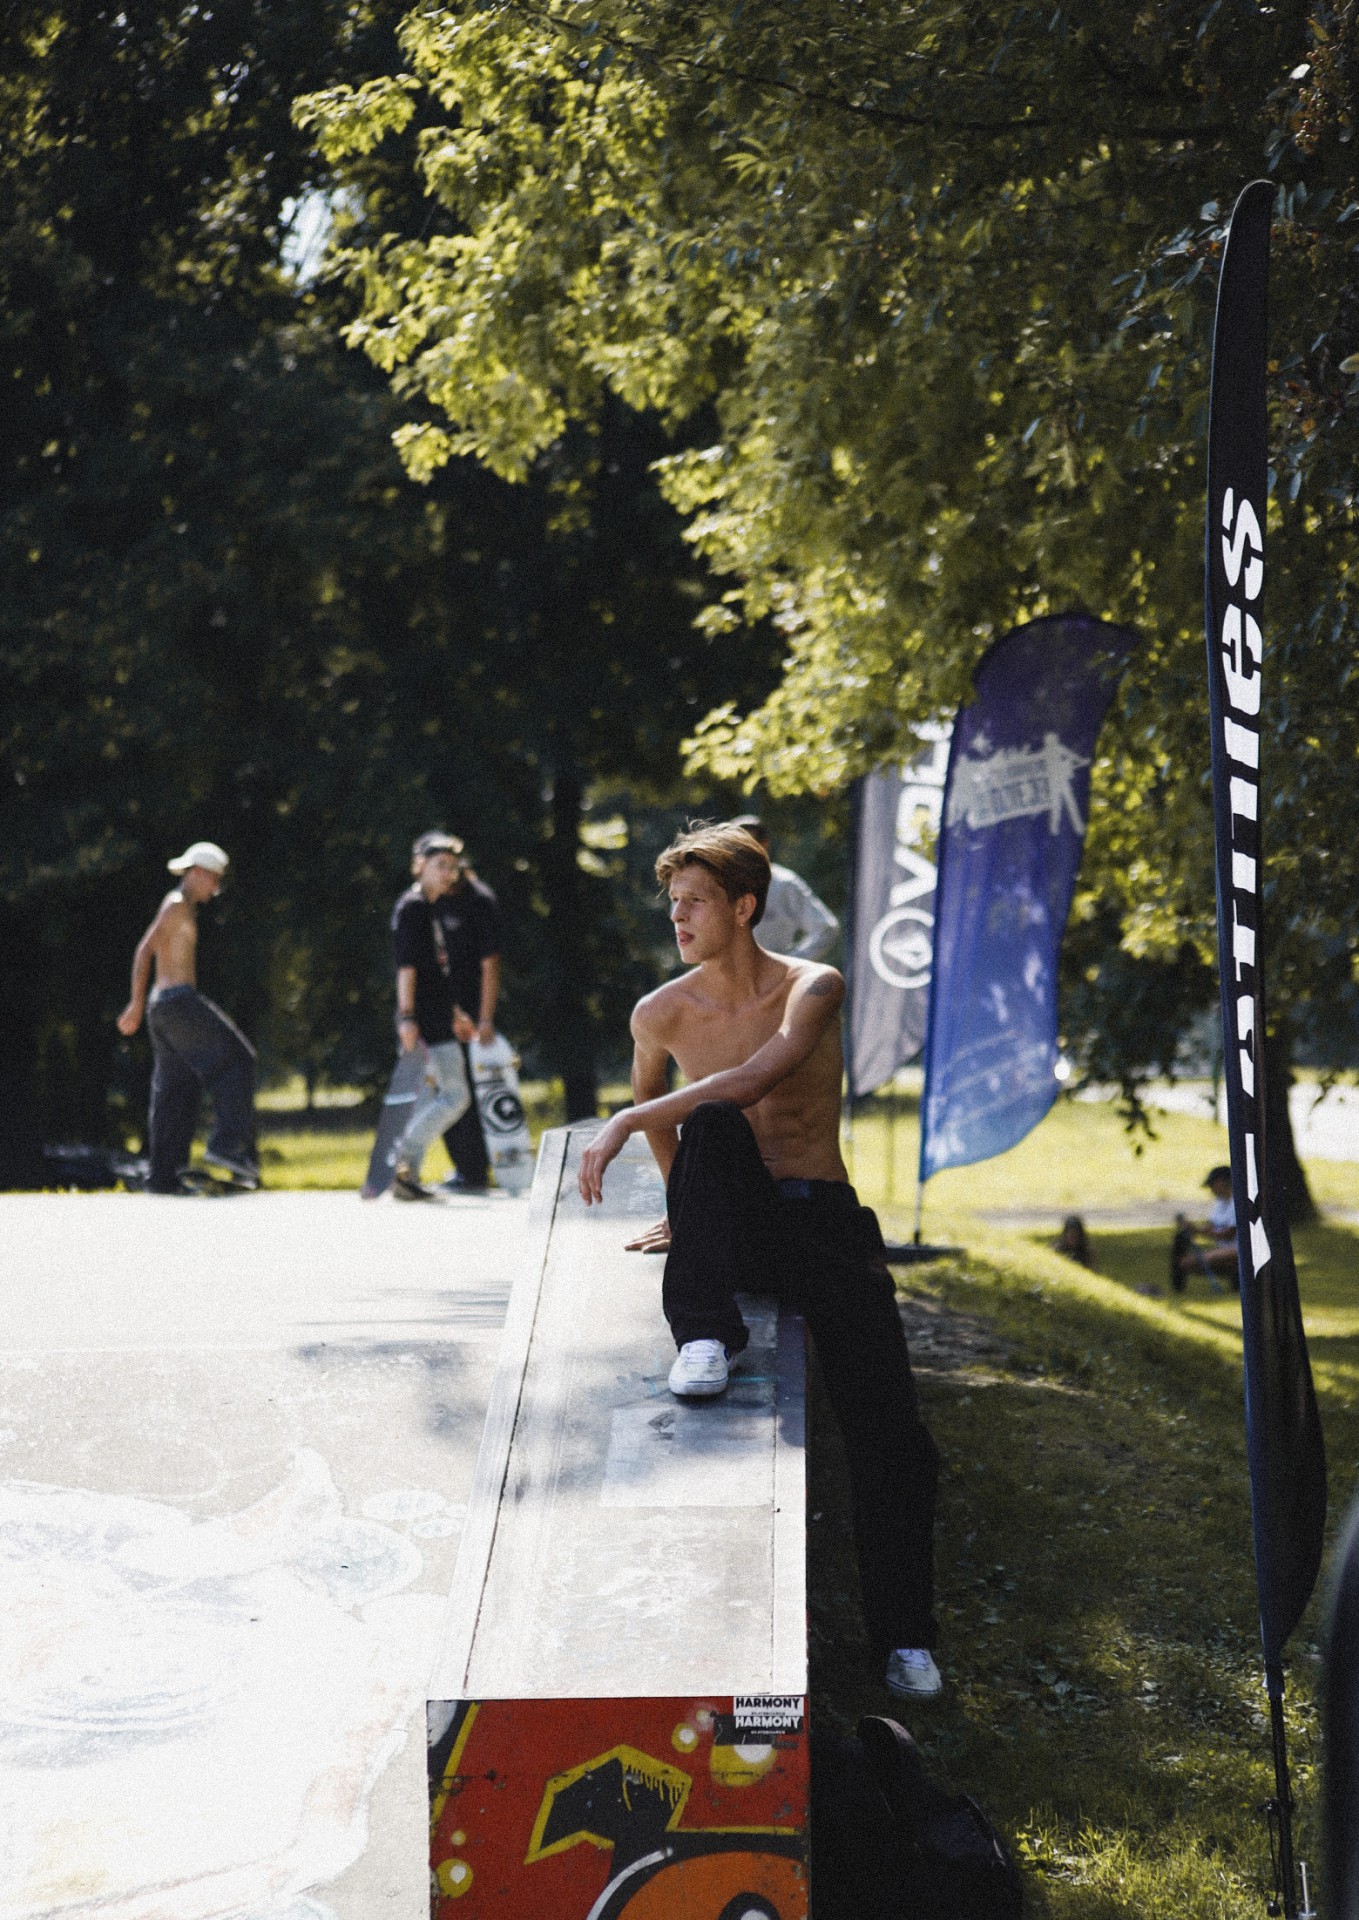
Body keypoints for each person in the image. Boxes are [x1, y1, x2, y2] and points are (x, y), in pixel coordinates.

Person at [578, 820, 942, 1700]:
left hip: (824, 1224)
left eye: (695, 902)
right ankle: (703, 1335)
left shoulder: (811, 987)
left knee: (893, 1438)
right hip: (743, 1227)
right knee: (706, 1123)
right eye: (672, 902)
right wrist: (691, 1215)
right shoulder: (659, 1012)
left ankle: (904, 1642)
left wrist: (625, 1120)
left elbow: (755, 1077)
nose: (678, 917)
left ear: (744, 907)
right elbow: (675, 1120)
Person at [116, 841, 259, 1194]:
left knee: (175, 1088)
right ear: (198, 873)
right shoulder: (176, 904)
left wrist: (143, 1005)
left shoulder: (182, 906)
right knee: (239, 1059)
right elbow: (144, 949)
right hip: (177, 1003)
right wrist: (134, 1004)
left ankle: (163, 1175)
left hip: (163, 1009)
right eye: (214, 880)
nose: (216, 888)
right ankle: (227, 1146)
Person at [389, 831, 500, 1200]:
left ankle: (406, 1177)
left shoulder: (430, 907)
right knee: (456, 1096)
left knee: (428, 1098)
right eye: (439, 865)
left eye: (452, 867)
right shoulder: (413, 908)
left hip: (438, 1015)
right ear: (420, 866)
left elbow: (437, 972)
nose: (448, 873)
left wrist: (456, 1013)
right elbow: (406, 968)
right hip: (424, 1020)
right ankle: (401, 1156)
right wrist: (406, 1017)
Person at [729, 814, 839, 960]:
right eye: (736, 845)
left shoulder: (784, 884)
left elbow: (826, 929)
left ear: (764, 845)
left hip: (773, 971)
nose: (742, 851)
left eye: (749, 844)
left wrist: (791, 962)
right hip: (726, 972)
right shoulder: (718, 883)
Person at [1171, 1165, 1240, 1294]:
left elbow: (1228, 1234)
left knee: (1192, 1262)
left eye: (1212, 1185)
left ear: (1222, 1182)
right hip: (1225, 1250)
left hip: (1239, 1250)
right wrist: (1191, 1228)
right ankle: (1235, 1278)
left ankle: (1237, 1276)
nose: (1211, 1189)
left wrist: (1198, 1231)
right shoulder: (1219, 1203)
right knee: (1186, 1261)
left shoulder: (1237, 1203)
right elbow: (1210, 1226)